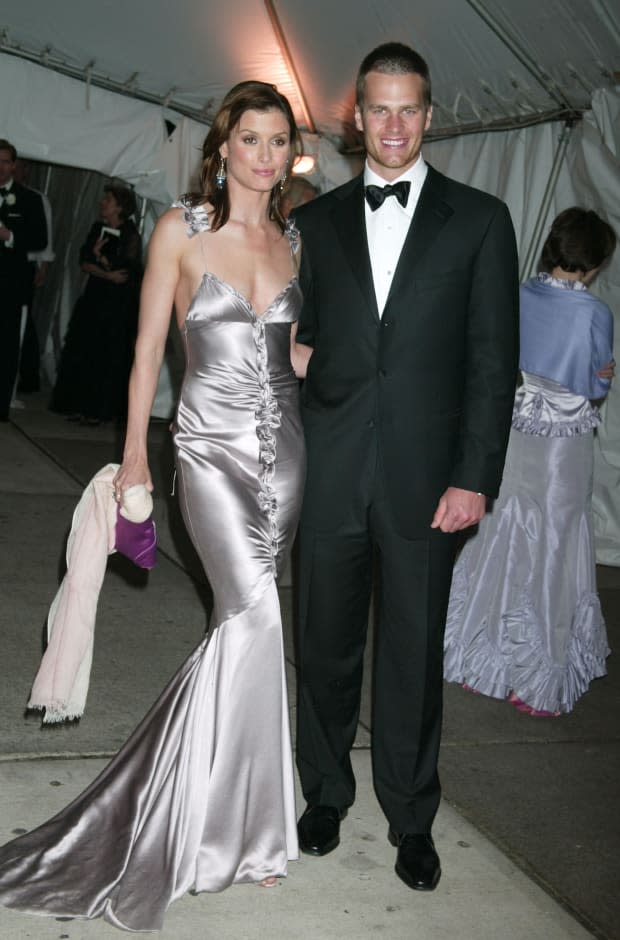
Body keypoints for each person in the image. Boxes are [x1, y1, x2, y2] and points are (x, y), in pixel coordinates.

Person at [0, 80, 310, 932]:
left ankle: (242, 822)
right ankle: (223, 830)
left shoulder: (292, 240)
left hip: (285, 458)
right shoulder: (181, 229)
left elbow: (293, 359)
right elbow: (145, 353)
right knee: (253, 620)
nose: (265, 154)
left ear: (290, 154)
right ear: (223, 147)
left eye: (279, 141)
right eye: (251, 138)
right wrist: (134, 450)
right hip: (206, 452)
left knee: (248, 627)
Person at [292, 42, 519, 892]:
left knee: (414, 652)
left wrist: (476, 477)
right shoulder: (313, 224)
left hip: (431, 481)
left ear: (431, 115)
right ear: (356, 116)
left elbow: (494, 363)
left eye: (408, 109)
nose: (392, 125)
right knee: (322, 642)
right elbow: (294, 335)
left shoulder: (482, 220)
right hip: (329, 467)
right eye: (377, 109)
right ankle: (323, 791)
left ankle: (412, 813)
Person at [444, 207, 616, 716]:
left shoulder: (518, 294)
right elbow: (593, 384)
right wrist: (603, 376)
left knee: (501, 536)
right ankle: (540, 681)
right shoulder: (593, 313)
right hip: (563, 443)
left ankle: (479, 657)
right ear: (594, 262)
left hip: (516, 429)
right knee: (557, 547)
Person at [50, 184, 142, 425]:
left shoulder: (131, 234)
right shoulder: (97, 229)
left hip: (117, 304)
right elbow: (84, 263)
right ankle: (79, 404)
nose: (103, 203)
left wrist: (100, 259)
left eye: (108, 200)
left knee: (107, 353)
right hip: (95, 296)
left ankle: (99, 409)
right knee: (84, 348)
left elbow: (123, 271)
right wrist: (103, 268)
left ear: (120, 206)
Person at [0, 139, 47, 421]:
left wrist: (11, 237)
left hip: (10, 285)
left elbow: (40, 239)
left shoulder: (29, 199)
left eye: (6, 162)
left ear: (14, 165)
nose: (1, 167)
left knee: (6, 346)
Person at [12, 158, 56, 396]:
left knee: (23, 319)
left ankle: (29, 375)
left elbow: (45, 236)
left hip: (25, 264)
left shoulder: (36, 198)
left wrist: (44, 267)